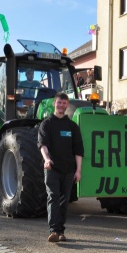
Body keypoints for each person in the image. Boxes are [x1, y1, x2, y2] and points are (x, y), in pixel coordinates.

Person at [37, 92, 84, 243]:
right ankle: (53, 231)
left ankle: (61, 230)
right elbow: (43, 145)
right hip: (52, 169)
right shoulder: (47, 124)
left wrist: (78, 171)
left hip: (69, 170)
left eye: (64, 103)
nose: (61, 105)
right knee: (53, 197)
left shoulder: (72, 127)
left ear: (67, 105)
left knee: (64, 201)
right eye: (59, 103)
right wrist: (47, 160)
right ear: (54, 104)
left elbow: (78, 150)